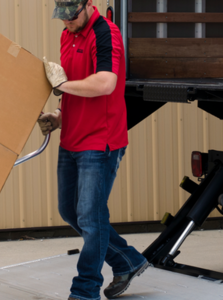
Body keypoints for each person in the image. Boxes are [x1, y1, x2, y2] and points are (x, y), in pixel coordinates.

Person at [39, 1, 149, 299]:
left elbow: (104, 83)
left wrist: (61, 83)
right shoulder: (67, 34)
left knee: (90, 216)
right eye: (62, 18)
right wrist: (59, 116)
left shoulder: (105, 33)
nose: (67, 23)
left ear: (89, 5)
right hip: (72, 138)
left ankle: (85, 290)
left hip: (100, 141)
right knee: (70, 211)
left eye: (72, 17)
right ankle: (129, 260)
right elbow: (75, 85)